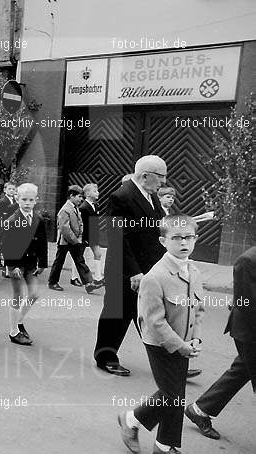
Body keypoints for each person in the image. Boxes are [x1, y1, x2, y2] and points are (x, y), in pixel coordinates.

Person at [118, 214, 205, 454]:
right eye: (176, 237)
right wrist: (181, 346)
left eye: (189, 236)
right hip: (160, 343)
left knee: (174, 394)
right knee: (173, 395)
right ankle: (151, 435)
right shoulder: (155, 277)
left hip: (185, 341)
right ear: (162, 241)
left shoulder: (194, 270)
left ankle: (147, 432)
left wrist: (196, 337)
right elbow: (155, 322)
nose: (184, 242)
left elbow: (199, 308)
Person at [94, 155, 167, 377]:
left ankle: (167, 361)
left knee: (150, 315)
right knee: (116, 313)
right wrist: (134, 271)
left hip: (148, 268)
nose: (164, 182)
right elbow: (118, 237)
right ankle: (105, 357)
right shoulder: (121, 196)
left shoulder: (151, 196)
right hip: (125, 269)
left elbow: (155, 232)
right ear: (145, 176)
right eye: (161, 177)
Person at [184, 246, 256, 440]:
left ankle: (199, 410)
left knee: (241, 371)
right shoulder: (248, 260)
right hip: (250, 332)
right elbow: (247, 305)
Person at [1, 183, 48, 346]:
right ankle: (13, 332)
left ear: (36, 200)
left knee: (34, 294)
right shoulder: (12, 220)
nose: (27, 203)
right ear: (17, 199)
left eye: (30, 200)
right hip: (16, 264)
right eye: (24, 199)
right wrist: (11, 266)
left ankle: (18, 321)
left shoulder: (39, 219)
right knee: (17, 295)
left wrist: (42, 263)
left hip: (31, 263)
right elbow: (5, 245)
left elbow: (42, 243)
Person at [48, 185, 102, 294]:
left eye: (82, 197)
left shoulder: (75, 207)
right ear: (71, 196)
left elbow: (79, 223)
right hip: (65, 242)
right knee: (59, 262)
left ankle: (89, 283)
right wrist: (75, 240)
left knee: (80, 261)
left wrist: (79, 237)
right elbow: (64, 228)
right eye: (79, 197)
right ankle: (52, 282)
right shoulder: (65, 209)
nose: (81, 199)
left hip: (74, 241)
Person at [71, 183, 104, 286]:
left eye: (97, 191)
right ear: (88, 194)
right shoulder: (83, 207)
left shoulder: (96, 205)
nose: (97, 193)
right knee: (78, 256)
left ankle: (98, 277)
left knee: (98, 254)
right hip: (84, 236)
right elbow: (82, 224)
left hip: (93, 236)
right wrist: (83, 238)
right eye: (95, 191)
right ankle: (74, 277)